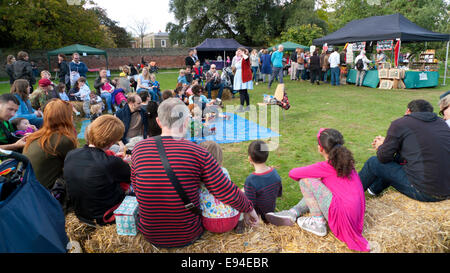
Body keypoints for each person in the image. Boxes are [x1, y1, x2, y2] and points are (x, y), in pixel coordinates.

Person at [131, 98, 258, 247]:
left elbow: (136, 186)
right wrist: (249, 208)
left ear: (159, 122)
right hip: (187, 234)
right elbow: (224, 189)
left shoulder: (138, 150)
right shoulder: (198, 152)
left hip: (151, 234)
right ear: (186, 123)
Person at [266, 128, 370, 252]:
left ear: (320, 148)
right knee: (318, 185)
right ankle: (293, 212)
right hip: (356, 218)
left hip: (343, 221)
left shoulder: (326, 166)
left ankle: (318, 223)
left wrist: (317, 176)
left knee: (306, 181)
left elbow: (293, 173)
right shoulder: (347, 164)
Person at [359, 99, 450, 202]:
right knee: (399, 157)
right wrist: (387, 144)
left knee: (373, 162)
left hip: (426, 191)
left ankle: (349, 196)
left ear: (408, 111)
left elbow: (383, 157)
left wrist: (381, 147)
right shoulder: (442, 124)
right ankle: (374, 189)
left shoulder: (400, 123)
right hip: (447, 189)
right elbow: (418, 148)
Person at [64, 115, 131, 226]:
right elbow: (130, 176)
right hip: (104, 216)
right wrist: (126, 162)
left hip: (80, 213)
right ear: (111, 142)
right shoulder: (112, 162)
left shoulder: (71, 154)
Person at [23, 99, 78, 190]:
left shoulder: (37, 135)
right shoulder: (63, 139)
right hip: (46, 194)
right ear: (65, 118)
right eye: (70, 115)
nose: (72, 117)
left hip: (28, 189)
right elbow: (75, 168)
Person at [198, 141, 241, 233]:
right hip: (232, 218)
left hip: (209, 222)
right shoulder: (224, 171)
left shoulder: (198, 175)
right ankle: (239, 224)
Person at [244, 140, 282, 222]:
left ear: (249, 158)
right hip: (271, 213)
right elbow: (278, 193)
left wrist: (246, 221)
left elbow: (248, 206)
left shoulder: (250, 180)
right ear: (267, 155)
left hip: (258, 218)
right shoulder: (274, 173)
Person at [232, 47, 253, 112]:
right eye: (237, 51)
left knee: (242, 92)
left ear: (243, 52)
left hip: (244, 76)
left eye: (239, 51)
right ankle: (248, 107)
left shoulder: (245, 57)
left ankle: (241, 108)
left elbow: (246, 58)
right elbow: (234, 66)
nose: (238, 52)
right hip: (239, 76)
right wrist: (237, 55)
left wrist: (243, 53)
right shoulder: (238, 59)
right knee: (245, 92)